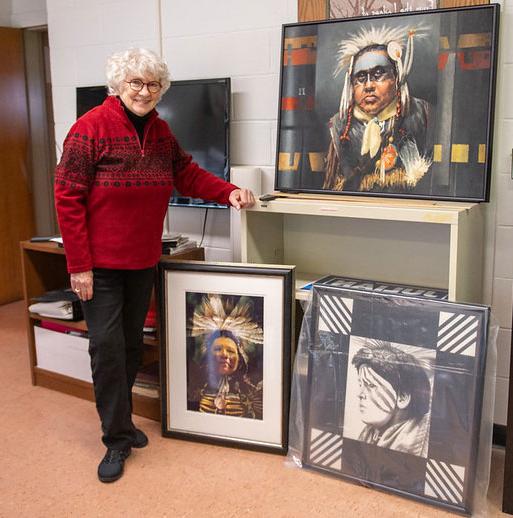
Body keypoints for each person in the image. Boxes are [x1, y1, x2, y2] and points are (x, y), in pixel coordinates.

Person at [54, 48, 255, 483]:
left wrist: (229, 192)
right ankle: (115, 441)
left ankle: (121, 423)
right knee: (106, 351)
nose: (144, 91)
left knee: (128, 346)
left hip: (142, 260)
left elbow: (188, 174)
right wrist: (79, 266)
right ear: (118, 85)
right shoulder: (88, 130)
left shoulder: (161, 133)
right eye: (135, 83)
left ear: (160, 89)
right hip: (99, 267)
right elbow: (67, 198)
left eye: (152, 84)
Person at [323, 25, 433, 193]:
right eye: (360, 78)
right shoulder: (340, 126)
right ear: (351, 85)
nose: (368, 86)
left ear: (396, 78)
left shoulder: (420, 114)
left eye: (378, 74)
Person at [188, 294, 264, 419]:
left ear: (240, 359)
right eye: (218, 349)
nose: (224, 355)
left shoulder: (251, 390)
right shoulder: (196, 384)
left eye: (230, 351)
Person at [351, 341, 432, 457]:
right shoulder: (369, 434)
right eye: (361, 385)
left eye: (371, 385)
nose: (360, 394)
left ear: (402, 397)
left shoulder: (416, 446)